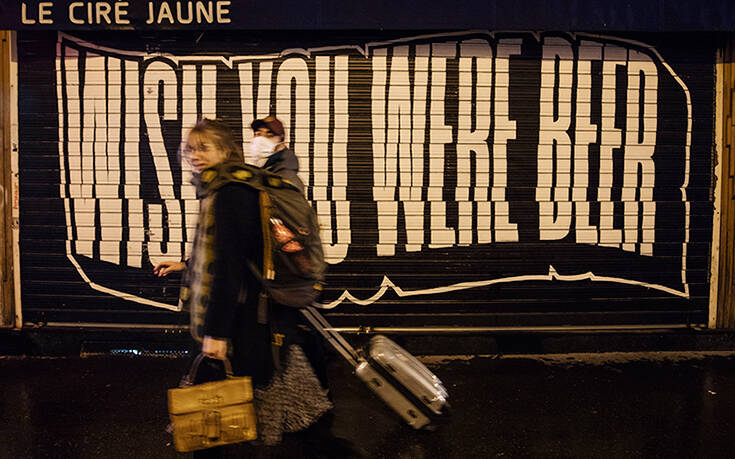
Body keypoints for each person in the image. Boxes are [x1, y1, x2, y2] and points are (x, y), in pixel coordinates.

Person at [154, 118, 339, 457]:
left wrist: (217, 332)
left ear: (225, 150)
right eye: (191, 149)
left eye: (204, 148)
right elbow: (225, 251)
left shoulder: (230, 192)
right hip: (249, 314)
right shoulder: (222, 187)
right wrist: (185, 264)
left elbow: (229, 268)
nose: (195, 155)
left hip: (242, 317)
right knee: (262, 398)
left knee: (235, 403)